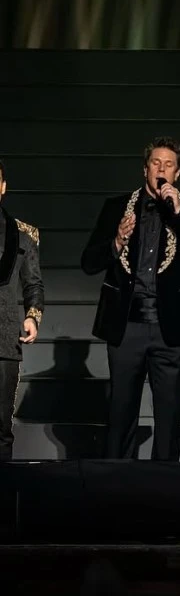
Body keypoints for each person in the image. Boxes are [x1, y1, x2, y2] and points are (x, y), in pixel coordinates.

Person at [81, 136, 180, 460]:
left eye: (169, 165)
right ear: (145, 169)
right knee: (120, 414)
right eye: (156, 163)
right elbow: (89, 262)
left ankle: (165, 483)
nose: (161, 169)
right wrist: (117, 241)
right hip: (126, 326)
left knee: (169, 417)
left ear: (177, 173)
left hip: (170, 329)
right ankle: (117, 479)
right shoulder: (116, 208)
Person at [0, 159, 44, 460]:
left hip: (4, 338)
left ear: (3, 187)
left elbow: (33, 283)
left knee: (1, 427)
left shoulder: (23, 234)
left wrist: (32, 316)